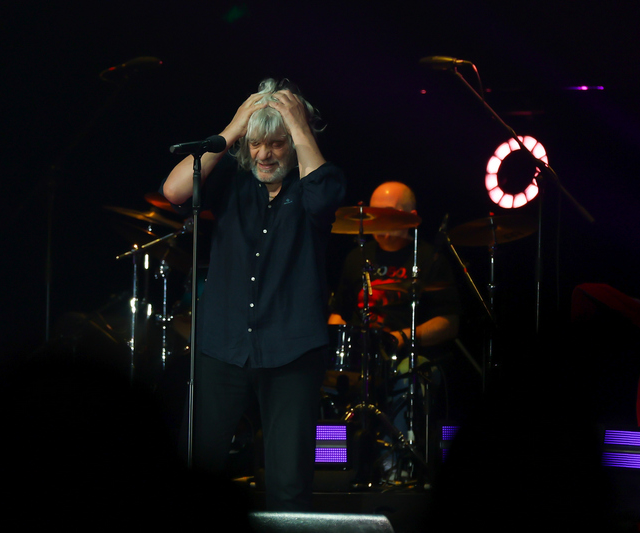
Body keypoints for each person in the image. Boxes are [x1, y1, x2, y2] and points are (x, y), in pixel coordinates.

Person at [161, 78, 345, 511]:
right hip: (222, 344)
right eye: (257, 143)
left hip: (292, 349)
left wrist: (298, 125)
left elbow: (323, 201)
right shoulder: (232, 179)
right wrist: (233, 127)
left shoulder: (316, 181)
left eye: (277, 144)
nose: (264, 154)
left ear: (294, 143)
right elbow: (174, 191)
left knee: (289, 485)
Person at [328, 182, 460, 479]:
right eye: (374, 213)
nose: (378, 220)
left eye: (387, 213)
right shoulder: (357, 258)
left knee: (407, 378)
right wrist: (334, 348)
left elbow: (449, 323)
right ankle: (333, 467)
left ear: (411, 217)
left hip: (409, 356)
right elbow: (339, 312)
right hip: (360, 357)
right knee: (324, 380)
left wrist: (401, 338)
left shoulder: (429, 259)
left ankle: (396, 469)